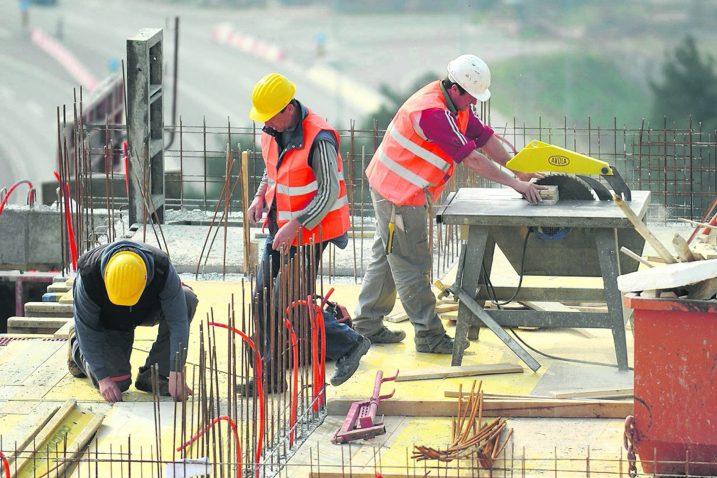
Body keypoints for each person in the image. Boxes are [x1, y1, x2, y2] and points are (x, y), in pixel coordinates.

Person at [353, 54, 545, 354]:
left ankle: (366, 326)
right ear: (455, 89)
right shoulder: (432, 113)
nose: (475, 103)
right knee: (411, 265)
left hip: (394, 188)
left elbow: (483, 137)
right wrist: (514, 183)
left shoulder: (452, 104)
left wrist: (515, 165)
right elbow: (472, 158)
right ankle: (429, 336)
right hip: (399, 195)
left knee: (388, 256)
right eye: (472, 96)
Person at [243, 72, 370, 393]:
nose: (266, 124)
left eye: (270, 116)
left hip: (312, 233)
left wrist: (296, 225)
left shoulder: (319, 137)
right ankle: (270, 376)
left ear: (288, 108)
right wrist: (260, 196)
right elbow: (273, 171)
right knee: (261, 299)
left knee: (290, 305)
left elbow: (327, 193)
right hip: (281, 231)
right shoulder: (274, 130)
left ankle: (350, 344)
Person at [67, 239, 197, 403]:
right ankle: (77, 347)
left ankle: (155, 373)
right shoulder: (89, 276)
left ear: (145, 278)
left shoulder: (161, 268)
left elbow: (178, 322)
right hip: (110, 319)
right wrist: (102, 378)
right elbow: (87, 329)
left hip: (147, 308)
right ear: (106, 276)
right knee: (116, 384)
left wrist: (175, 371)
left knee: (186, 298)